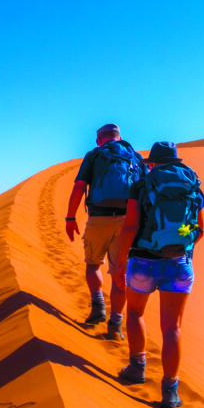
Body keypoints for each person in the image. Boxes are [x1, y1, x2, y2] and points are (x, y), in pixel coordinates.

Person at [114, 141, 204, 408]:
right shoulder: (193, 185)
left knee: (134, 314)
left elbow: (130, 224)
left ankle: (137, 368)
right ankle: (170, 391)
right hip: (179, 264)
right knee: (173, 328)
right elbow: (200, 229)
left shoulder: (142, 184)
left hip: (143, 261)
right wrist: (182, 249)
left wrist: (120, 261)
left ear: (152, 162)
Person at [66, 123, 146, 339]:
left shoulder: (94, 155)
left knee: (93, 264)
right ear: (119, 137)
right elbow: (146, 192)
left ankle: (98, 307)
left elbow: (79, 187)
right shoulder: (136, 158)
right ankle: (115, 325)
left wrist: (70, 217)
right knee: (119, 272)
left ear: (99, 139)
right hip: (128, 222)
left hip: (98, 218)